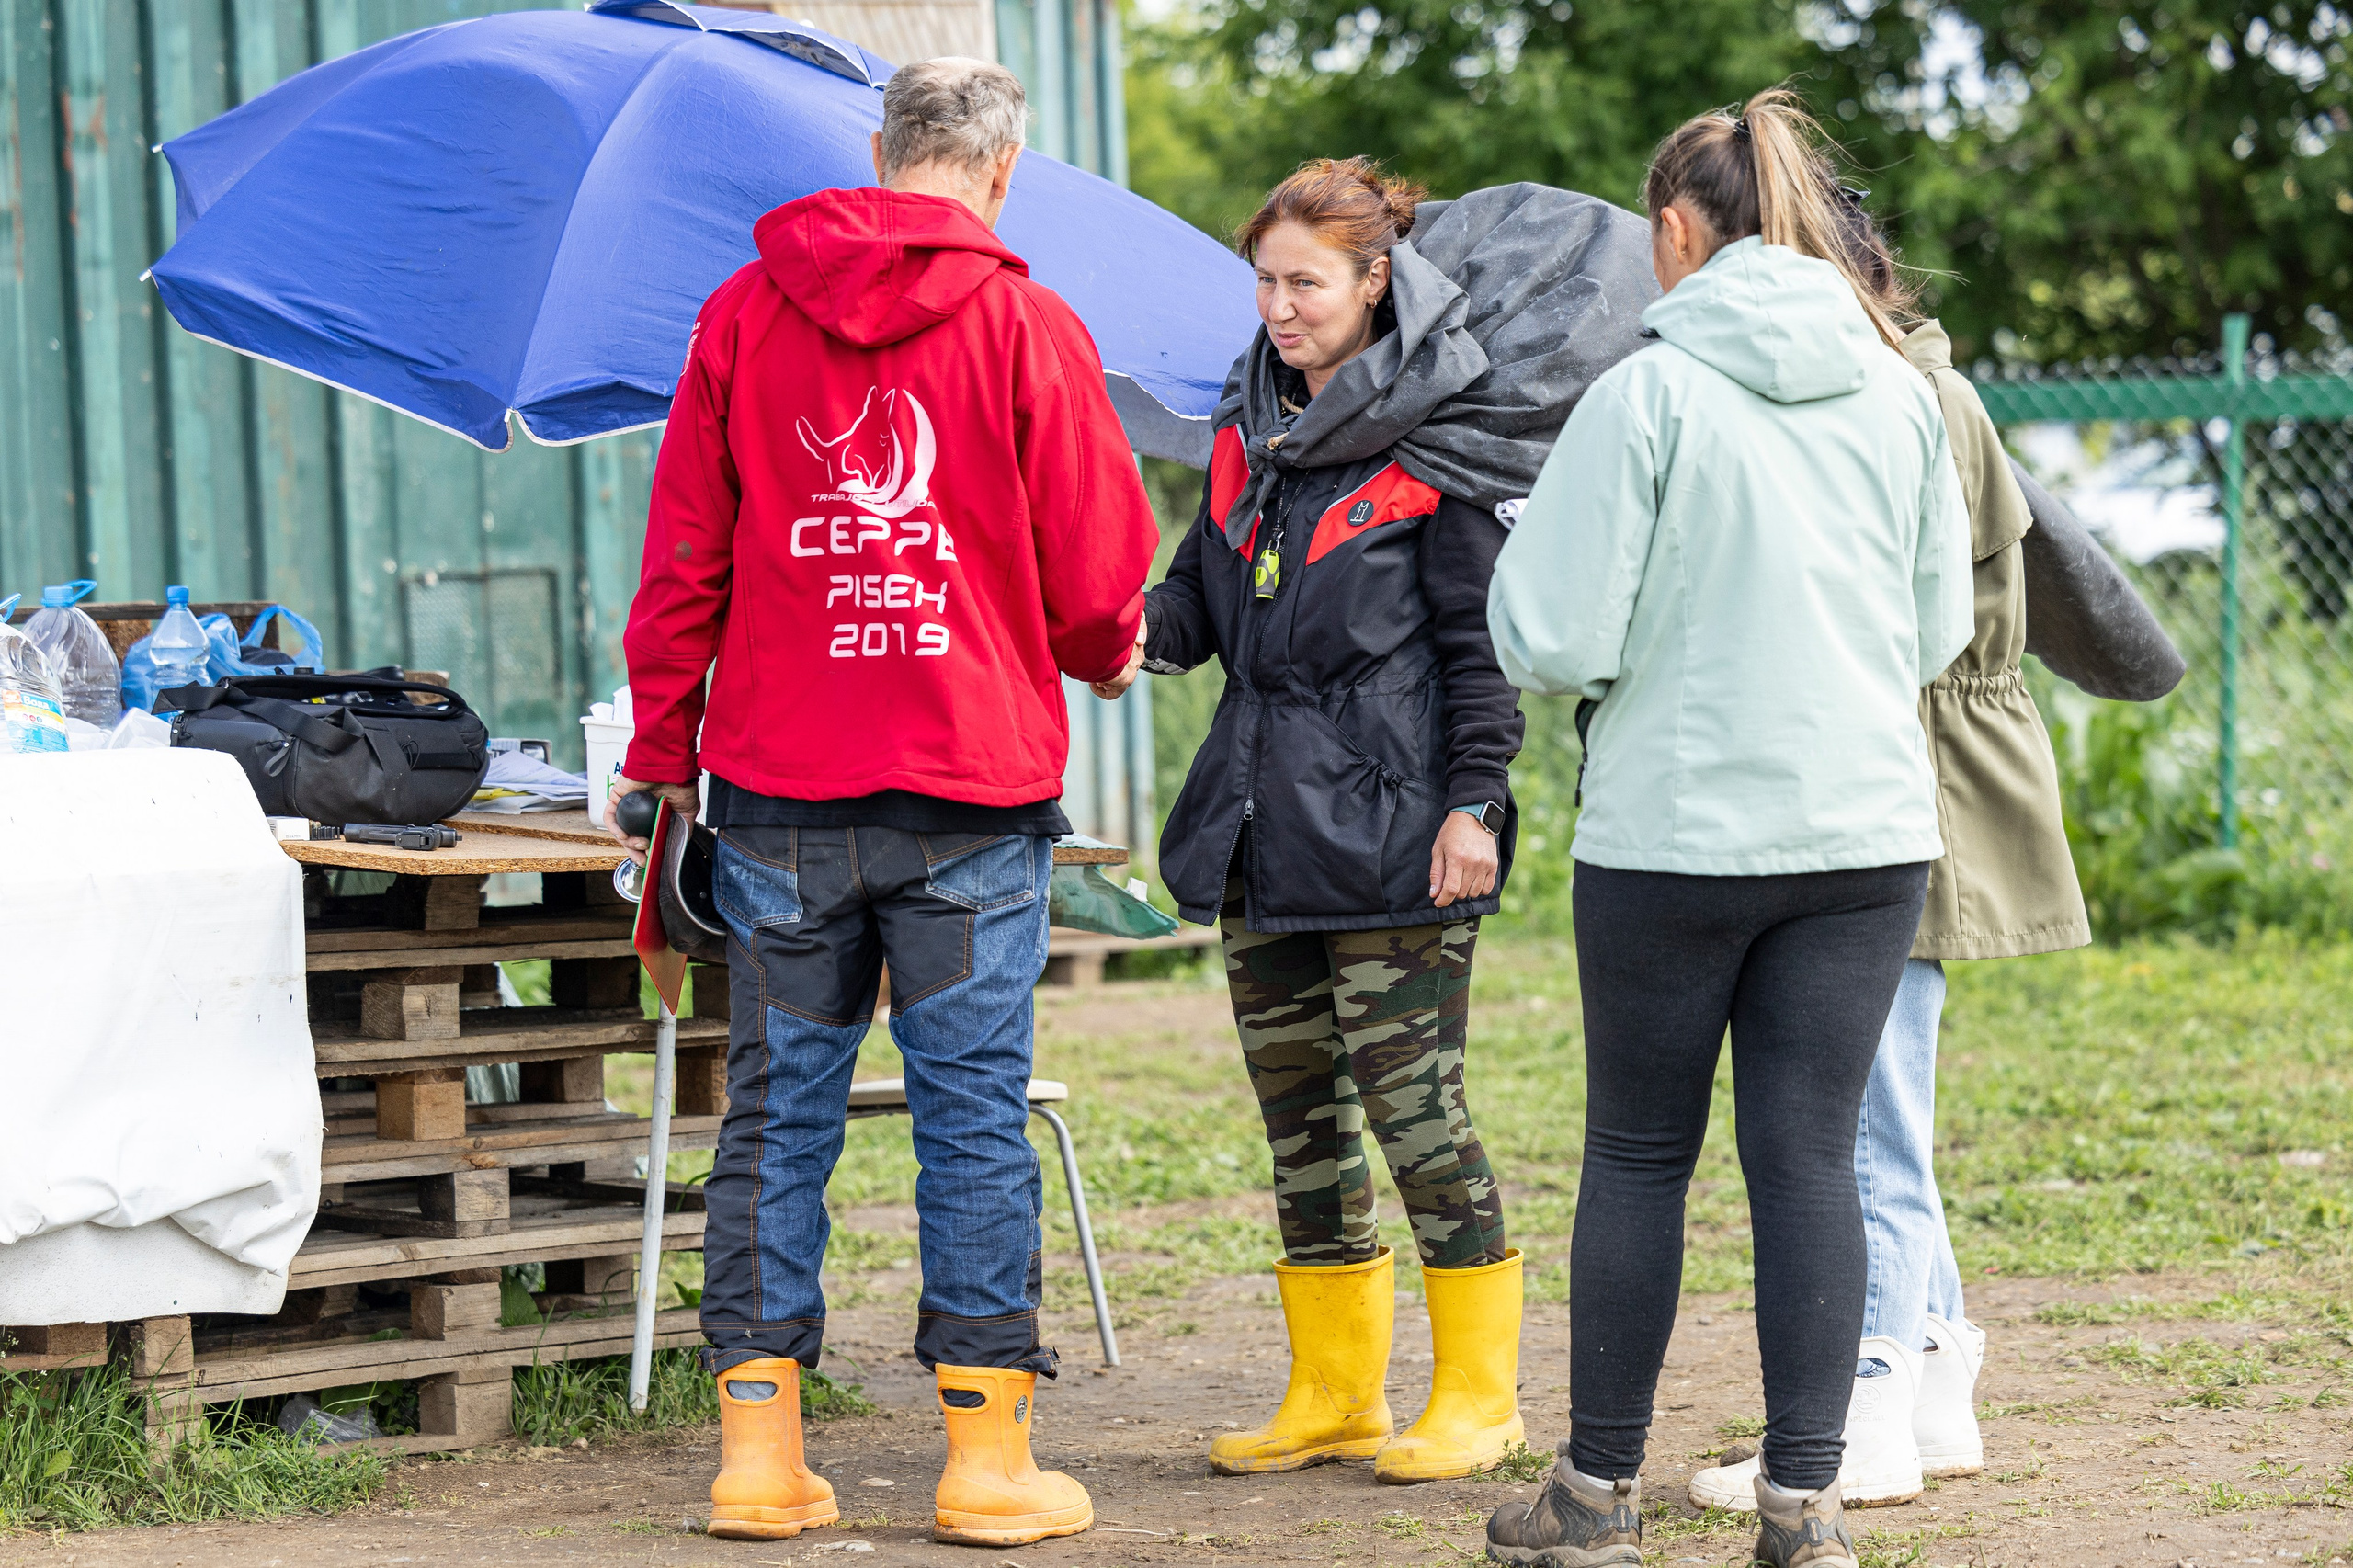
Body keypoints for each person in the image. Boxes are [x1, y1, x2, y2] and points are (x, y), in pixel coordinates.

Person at [607, 57, 1157, 1549]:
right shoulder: (1032, 325)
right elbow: (1105, 581)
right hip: (972, 799)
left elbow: (684, 568)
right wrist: (1099, 651)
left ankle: (758, 1462)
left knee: (776, 1115)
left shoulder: (742, 314)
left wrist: (665, 745)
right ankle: (986, 1469)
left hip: (781, 793)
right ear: (1002, 165)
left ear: (880, 152)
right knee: (971, 1118)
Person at [1099, 158, 1652, 1485]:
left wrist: (1477, 803)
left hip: (1403, 840)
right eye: (1266, 282)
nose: (1279, 307)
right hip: (1258, 832)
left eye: (1306, 282)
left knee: (1418, 1114)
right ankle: (1335, 1390)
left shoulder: (1436, 443)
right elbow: (1199, 603)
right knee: (1300, 1124)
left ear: (1374, 281)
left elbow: (1482, 650)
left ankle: (1478, 1394)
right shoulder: (1248, 439)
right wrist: (1127, 636)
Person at [1481, 90, 1972, 1568]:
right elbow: (1937, 626)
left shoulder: (1648, 394)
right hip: (1866, 829)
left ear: (1679, 232)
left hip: (1678, 833)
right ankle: (1805, 1508)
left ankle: (1594, 1499)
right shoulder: (1902, 394)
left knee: (1638, 1152)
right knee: (1810, 1156)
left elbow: (1552, 634)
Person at [1686, 192, 2185, 1513]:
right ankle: (1937, 1372)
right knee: (1879, 1095)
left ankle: (1867, 1403)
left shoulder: (1896, 395)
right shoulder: (1920, 384)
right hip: (1923, 764)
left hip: (1907, 773)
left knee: (1855, 1113)